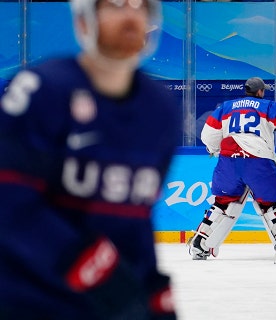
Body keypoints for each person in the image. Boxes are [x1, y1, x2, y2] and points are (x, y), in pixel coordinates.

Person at [0, 0, 178, 318]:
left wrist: (153, 291)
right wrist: (87, 262)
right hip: (28, 302)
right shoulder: (42, 90)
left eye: (141, 7)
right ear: (83, 22)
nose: (130, 15)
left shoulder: (161, 111)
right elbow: (9, 201)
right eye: (114, 5)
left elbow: (135, 218)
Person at [190, 76, 276, 260]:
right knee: (271, 204)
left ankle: (201, 242)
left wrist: (215, 148)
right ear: (260, 91)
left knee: (223, 202)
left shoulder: (226, 107)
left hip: (229, 160)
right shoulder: (269, 106)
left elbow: (208, 135)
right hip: (258, 160)